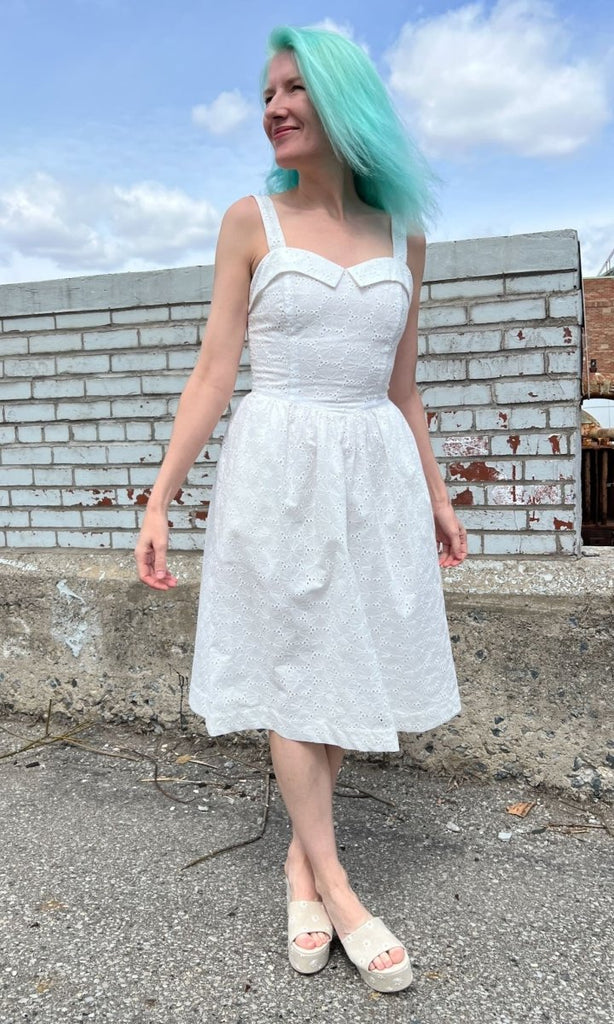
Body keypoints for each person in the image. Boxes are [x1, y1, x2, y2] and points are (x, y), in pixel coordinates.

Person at [135, 25, 467, 994]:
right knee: (293, 666)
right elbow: (213, 371)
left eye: (294, 89)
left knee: (345, 659)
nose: (274, 107)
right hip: (278, 469)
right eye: (267, 93)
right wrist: (160, 498)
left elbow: (403, 387)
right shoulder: (252, 222)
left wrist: (437, 493)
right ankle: (338, 884)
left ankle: (297, 862)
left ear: (344, 100)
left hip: (373, 472)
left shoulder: (402, 234)